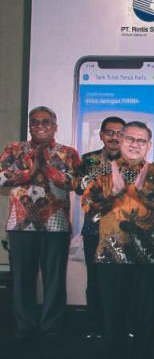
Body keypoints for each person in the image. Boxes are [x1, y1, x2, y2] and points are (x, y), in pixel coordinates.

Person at [81, 121, 154, 359]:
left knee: (145, 312)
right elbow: (87, 206)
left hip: (148, 254)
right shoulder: (102, 170)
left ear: (149, 145)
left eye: (141, 140)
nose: (134, 145)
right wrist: (113, 192)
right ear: (121, 141)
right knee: (113, 311)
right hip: (111, 253)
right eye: (130, 139)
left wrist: (142, 192)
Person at [0, 106, 81, 341]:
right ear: (29, 126)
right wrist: (29, 173)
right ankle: (25, 326)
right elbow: (2, 177)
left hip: (56, 224)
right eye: (34, 122)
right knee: (22, 278)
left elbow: (76, 183)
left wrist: (49, 171)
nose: (39, 126)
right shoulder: (14, 149)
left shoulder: (67, 153)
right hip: (20, 225)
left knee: (54, 279)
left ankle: (52, 327)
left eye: (45, 121)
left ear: (55, 126)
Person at [76, 115, 125, 338]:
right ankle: (95, 326)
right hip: (94, 229)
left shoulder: (132, 161)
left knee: (121, 281)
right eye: (110, 133)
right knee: (95, 279)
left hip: (123, 232)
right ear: (102, 135)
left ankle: (119, 327)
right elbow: (78, 188)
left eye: (119, 133)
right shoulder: (89, 160)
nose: (114, 137)